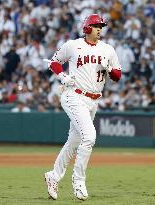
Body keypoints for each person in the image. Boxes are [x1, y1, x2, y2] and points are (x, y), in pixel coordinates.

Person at [44, 14, 121, 200]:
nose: (99, 29)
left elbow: (118, 76)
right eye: (96, 26)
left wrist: (109, 69)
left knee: (74, 142)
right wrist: (62, 77)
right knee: (90, 136)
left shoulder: (108, 49)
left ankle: (53, 176)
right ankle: (78, 181)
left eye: (101, 26)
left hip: (93, 101)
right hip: (74, 96)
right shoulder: (73, 45)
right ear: (87, 28)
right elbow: (54, 62)